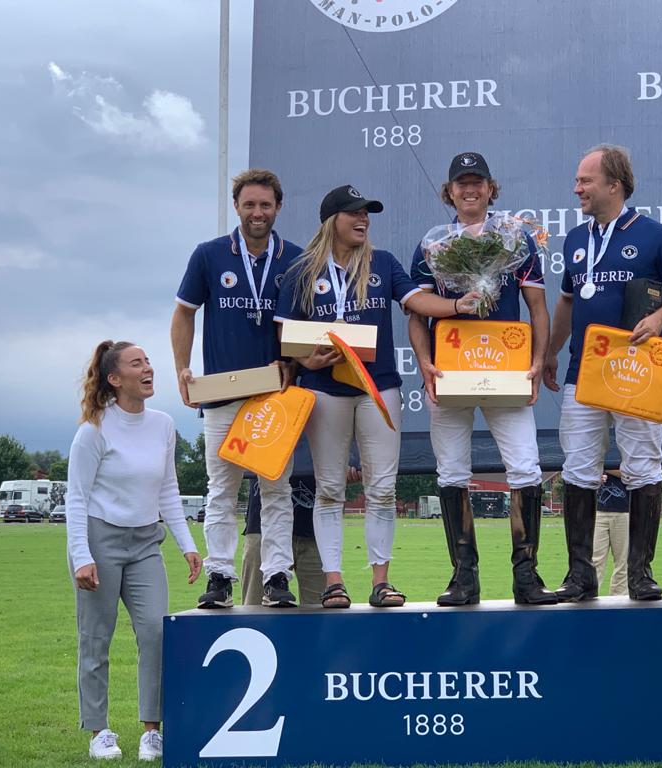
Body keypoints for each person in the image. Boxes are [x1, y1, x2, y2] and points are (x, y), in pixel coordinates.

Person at [275, 184, 480, 608]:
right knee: (329, 488)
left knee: (382, 489)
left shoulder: (382, 263)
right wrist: (307, 362)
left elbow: (418, 301)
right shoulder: (302, 271)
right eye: (354, 213)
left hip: (379, 387)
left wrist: (458, 306)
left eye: (367, 213)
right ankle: (335, 581)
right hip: (324, 390)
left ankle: (381, 581)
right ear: (333, 219)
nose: (363, 219)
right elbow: (284, 335)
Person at [543, 143, 662, 602]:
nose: (577, 188)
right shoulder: (576, 240)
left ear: (614, 184)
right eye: (577, 180)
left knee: (642, 466)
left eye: (585, 181)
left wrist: (658, 319)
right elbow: (567, 301)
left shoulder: (656, 234)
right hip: (583, 371)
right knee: (577, 467)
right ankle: (580, 575)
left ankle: (640, 574)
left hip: (637, 369)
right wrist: (551, 351)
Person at [409, 152, 555, 606]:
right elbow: (415, 310)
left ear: (492, 189)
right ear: (448, 192)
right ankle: (463, 577)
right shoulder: (432, 245)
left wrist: (537, 361)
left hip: (505, 368)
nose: (469, 189)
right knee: (451, 470)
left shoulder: (516, 239)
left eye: (478, 182)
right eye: (461, 183)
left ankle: (526, 576)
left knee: (526, 467)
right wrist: (423, 362)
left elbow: (537, 308)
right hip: (450, 371)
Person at [172, 168, 302, 609]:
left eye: (266, 204)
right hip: (222, 394)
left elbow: (304, 326)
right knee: (221, 489)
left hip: (274, 396)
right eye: (249, 204)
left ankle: (278, 576)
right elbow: (184, 312)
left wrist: (291, 362)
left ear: (278, 207)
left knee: (276, 488)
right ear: (237, 207)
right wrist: (182, 369)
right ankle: (220, 579)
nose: (258, 212)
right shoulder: (209, 255)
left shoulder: (295, 258)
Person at [66, 341, 202, 761]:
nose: (148, 369)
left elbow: (167, 489)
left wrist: (187, 545)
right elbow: (76, 497)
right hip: (100, 541)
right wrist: (81, 556)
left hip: (146, 543)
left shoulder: (163, 425)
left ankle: (151, 731)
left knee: (157, 634)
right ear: (114, 378)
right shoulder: (93, 429)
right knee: (96, 639)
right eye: (136, 363)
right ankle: (99, 731)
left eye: (148, 362)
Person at [240, 462, 361, 607]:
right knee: (255, 615)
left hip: (317, 528)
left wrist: (348, 464)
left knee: (322, 615)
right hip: (264, 527)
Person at [593, 472, 630, 596]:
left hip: (624, 510)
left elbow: (630, 472)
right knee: (594, 559)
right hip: (598, 511)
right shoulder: (598, 453)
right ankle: (591, 596)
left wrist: (605, 467)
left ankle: (618, 599)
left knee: (622, 560)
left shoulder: (625, 453)